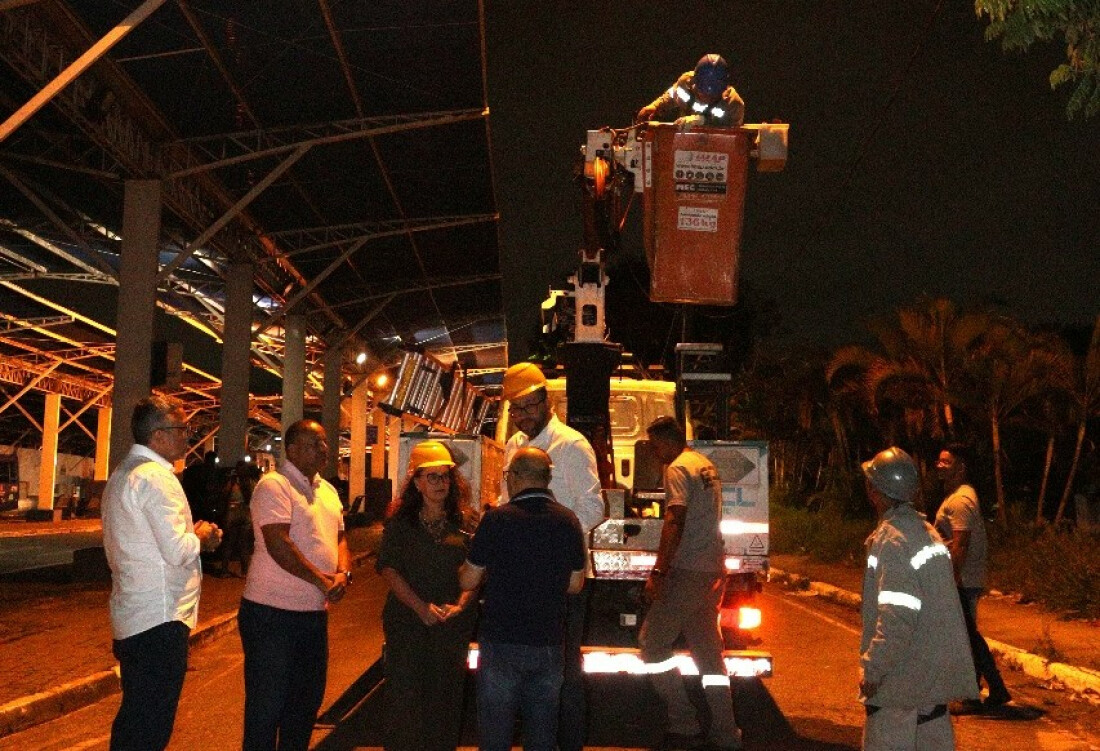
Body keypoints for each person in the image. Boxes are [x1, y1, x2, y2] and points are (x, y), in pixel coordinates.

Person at [102, 395, 222, 751]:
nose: (188, 436)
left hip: (134, 617)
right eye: (181, 429)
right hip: (159, 620)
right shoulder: (155, 478)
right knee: (151, 727)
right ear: (157, 436)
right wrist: (202, 537)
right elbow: (176, 550)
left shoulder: (123, 473)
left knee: (135, 721)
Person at [499, 362, 606, 751]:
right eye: (516, 409)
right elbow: (504, 501)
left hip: (563, 578)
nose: (522, 415)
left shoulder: (572, 445)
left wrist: (547, 536)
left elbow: (593, 509)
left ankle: (568, 744)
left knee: (564, 670)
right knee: (523, 666)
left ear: (547, 402)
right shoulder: (513, 447)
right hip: (519, 578)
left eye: (529, 406)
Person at [460, 447, 586, 751]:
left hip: (502, 642)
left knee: (495, 732)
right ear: (546, 479)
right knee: (542, 734)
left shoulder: (496, 520)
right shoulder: (568, 521)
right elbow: (575, 584)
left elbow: (469, 579)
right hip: (548, 643)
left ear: (515, 477)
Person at [238, 420, 351, 751]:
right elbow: (278, 544)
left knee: (304, 706)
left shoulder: (327, 490)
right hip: (271, 616)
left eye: (325, 443)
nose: (324, 449)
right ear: (292, 450)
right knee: (266, 708)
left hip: (312, 615)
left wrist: (342, 573)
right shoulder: (274, 486)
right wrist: (322, 581)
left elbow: (340, 536)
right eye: (315, 444)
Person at [860, 447, 977, 751]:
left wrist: (873, 669)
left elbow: (897, 617)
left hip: (902, 683)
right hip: (930, 684)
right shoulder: (925, 532)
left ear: (875, 492)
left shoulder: (893, 540)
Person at [639, 416, 741, 751]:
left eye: (655, 447)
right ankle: (726, 733)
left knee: (652, 644)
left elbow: (675, 517)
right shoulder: (703, 464)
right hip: (712, 570)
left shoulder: (678, 468)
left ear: (667, 441)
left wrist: (659, 572)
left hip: (688, 570)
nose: (655, 454)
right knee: (710, 657)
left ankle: (683, 722)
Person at [376, 440, 479, 751]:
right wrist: (420, 608)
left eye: (445, 476)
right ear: (417, 482)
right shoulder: (401, 524)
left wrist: (460, 606)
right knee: (405, 705)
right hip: (407, 624)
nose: (440, 483)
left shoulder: (464, 524)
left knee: (445, 704)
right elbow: (389, 569)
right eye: (432, 477)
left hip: (450, 628)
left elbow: (475, 572)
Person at [934, 443, 1011, 714]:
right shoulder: (957, 496)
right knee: (967, 636)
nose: (939, 466)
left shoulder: (960, 501)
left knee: (967, 638)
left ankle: (980, 693)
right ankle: (989, 689)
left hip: (962, 579)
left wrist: (951, 578)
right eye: (939, 461)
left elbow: (961, 545)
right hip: (962, 577)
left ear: (961, 467)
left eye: (946, 462)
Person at [636, 54, 745, 128]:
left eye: (712, 95)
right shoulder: (685, 83)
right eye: (703, 92)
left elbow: (733, 130)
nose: (706, 98)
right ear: (695, 83)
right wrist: (655, 106)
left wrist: (702, 121)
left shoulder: (733, 104)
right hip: (683, 145)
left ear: (723, 89)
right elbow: (672, 95)